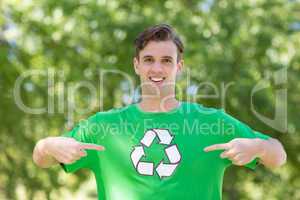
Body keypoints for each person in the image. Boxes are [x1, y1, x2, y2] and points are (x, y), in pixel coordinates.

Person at [32, 24, 287, 200]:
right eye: (149, 59)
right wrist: (48, 146)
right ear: (136, 65)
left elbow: (278, 155)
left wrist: (258, 148)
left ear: (179, 67)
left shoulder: (211, 122)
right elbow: (41, 160)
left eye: (166, 60)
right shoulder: (104, 126)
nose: (157, 68)